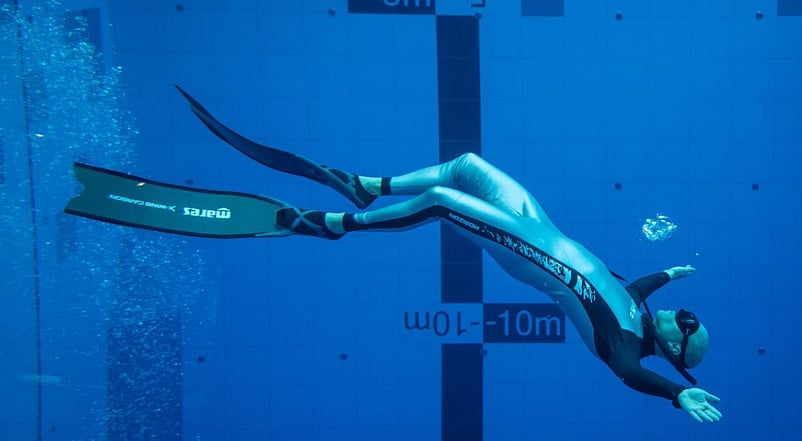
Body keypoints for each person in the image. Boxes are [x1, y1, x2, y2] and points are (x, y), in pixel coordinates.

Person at [170, 86, 723, 422]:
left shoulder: (622, 344)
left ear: (674, 345)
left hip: (528, 249)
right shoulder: (633, 309)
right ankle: (367, 187)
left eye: (687, 322)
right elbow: (635, 287)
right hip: (539, 226)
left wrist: (677, 395)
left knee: (438, 202)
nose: (683, 314)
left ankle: (333, 224)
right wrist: (668, 273)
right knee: (465, 166)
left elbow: (628, 374)